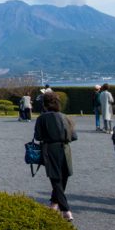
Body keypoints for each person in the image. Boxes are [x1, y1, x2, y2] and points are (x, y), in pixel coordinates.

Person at [34, 92, 78, 221]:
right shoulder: (65, 117)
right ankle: (54, 204)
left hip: (50, 148)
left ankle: (65, 210)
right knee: (63, 177)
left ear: (45, 104)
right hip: (65, 148)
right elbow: (74, 136)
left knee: (55, 179)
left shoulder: (42, 118)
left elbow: (38, 136)